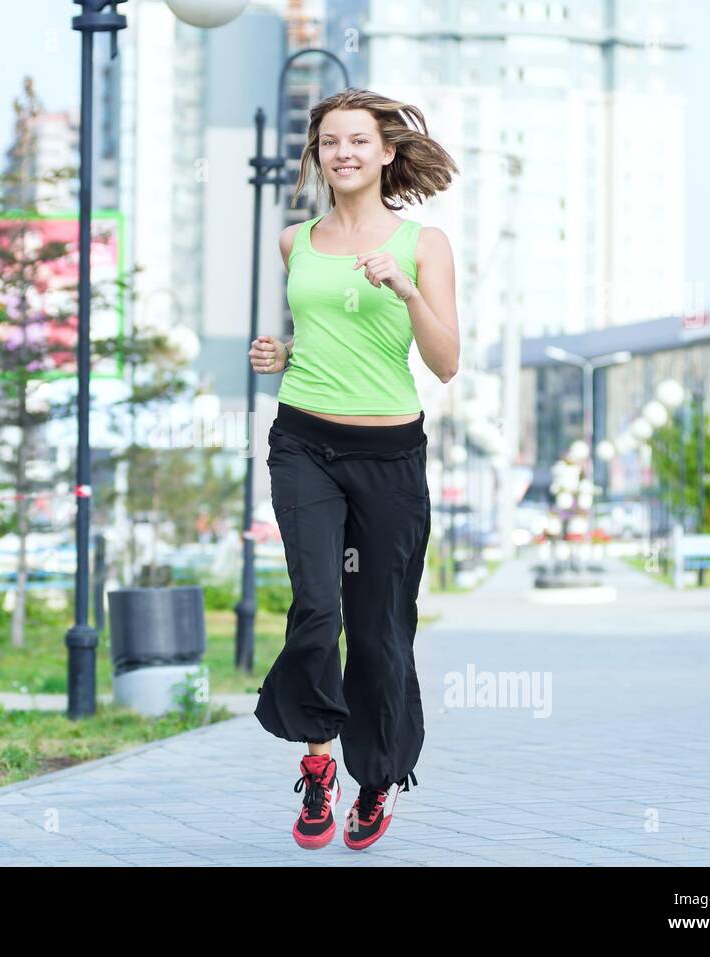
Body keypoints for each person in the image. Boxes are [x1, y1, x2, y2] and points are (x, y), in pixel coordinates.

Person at [248, 88, 460, 850]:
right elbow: (321, 336)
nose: (342, 153)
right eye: (329, 142)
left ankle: (375, 780)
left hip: (391, 457)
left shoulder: (422, 245)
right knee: (315, 606)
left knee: (378, 631)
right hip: (304, 442)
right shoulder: (293, 241)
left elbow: (446, 362)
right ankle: (316, 766)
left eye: (358, 141)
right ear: (318, 155)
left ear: (386, 152)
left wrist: (404, 290)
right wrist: (284, 353)